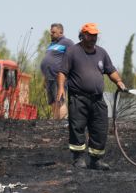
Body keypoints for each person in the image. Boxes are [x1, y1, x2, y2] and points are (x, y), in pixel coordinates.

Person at [56, 23, 127, 170]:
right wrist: (61, 88)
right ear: (83, 35)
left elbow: (110, 70)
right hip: (78, 98)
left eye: (95, 35)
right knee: (77, 127)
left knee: (100, 128)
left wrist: (119, 81)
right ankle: (78, 159)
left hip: (97, 99)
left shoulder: (101, 53)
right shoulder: (73, 51)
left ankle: (96, 160)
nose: (93, 38)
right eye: (90, 35)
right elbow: (62, 72)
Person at [40, 23, 74, 119]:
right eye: (51, 32)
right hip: (48, 77)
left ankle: (62, 123)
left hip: (58, 77)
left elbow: (74, 56)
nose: (51, 34)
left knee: (60, 100)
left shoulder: (67, 42)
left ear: (61, 32)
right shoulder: (51, 45)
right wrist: (44, 78)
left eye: (53, 32)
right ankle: (55, 124)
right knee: (53, 102)